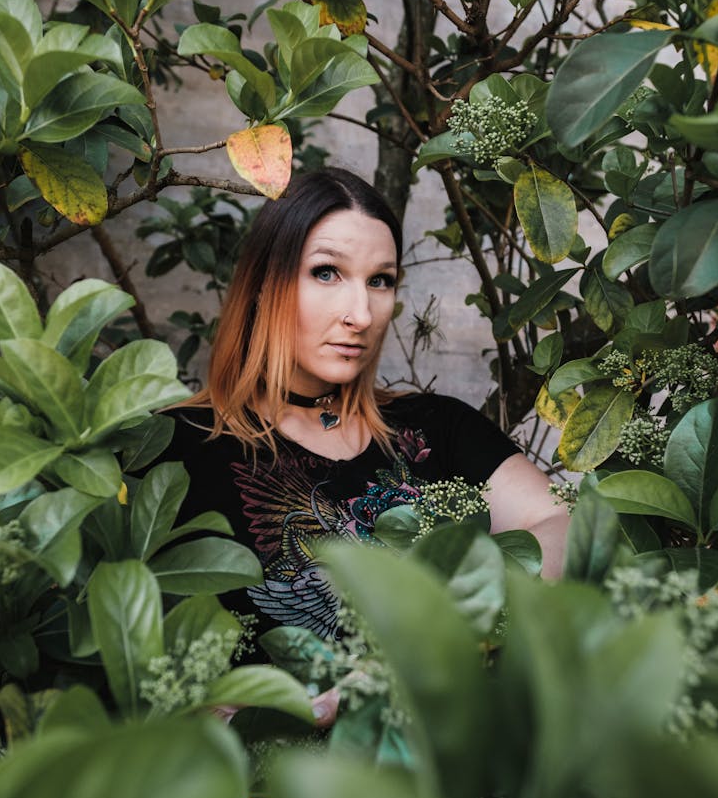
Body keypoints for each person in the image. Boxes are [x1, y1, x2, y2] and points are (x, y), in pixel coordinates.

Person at [161, 167, 569, 723]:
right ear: (263, 282)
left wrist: (437, 637)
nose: (361, 314)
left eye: (380, 280)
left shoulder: (434, 427)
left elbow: (562, 526)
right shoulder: (176, 450)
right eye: (326, 273)